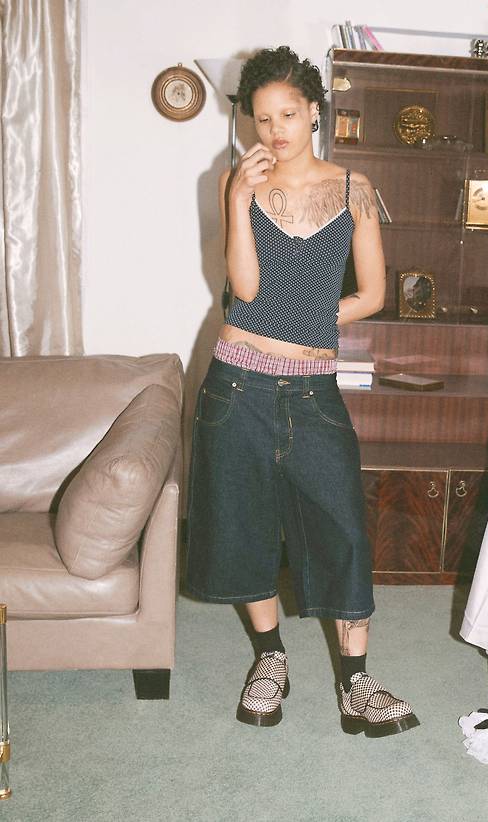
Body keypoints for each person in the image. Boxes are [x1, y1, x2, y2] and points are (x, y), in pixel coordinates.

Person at [186, 46, 419, 738]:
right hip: (238, 383)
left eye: (288, 114)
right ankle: (270, 657)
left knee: (343, 527)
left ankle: (356, 681)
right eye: (262, 119)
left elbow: (373, 294)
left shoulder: (355, 189)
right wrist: (237, 198)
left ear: (314, 111)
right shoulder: (237, 183)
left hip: (314, 390)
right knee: (244, 524)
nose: (275, 130)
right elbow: (245, 287)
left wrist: (309, 321)